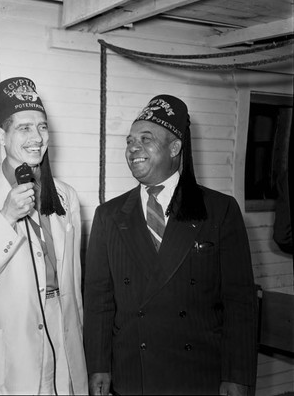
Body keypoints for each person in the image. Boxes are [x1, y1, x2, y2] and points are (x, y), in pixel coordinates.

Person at [83, 95, 258, 395]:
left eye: (145, 139)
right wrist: (99, 365)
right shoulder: (109, 216)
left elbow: (239, 302)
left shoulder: (220, 211)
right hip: (132, 376)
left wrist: (237, 376)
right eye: (130, 141)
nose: (132, 148)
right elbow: (99, 301)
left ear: (175, 148)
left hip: (198, 376)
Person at [0, 77, 88, 395]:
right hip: (8, 345)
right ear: (1, 135)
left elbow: (74, 286)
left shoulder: (65, 196)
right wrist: (7, 217)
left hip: (62, 334)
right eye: (24, 128)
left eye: (42, 127)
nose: (37, 137)